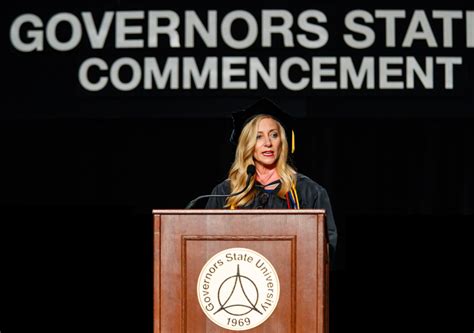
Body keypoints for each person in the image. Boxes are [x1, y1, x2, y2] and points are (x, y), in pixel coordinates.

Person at [206, 98, 337, 259]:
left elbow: (325, 248)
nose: (268, 143)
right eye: (258, 137)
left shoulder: (309, 191)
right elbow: (207, 246)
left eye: (274, 135)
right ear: (247, 144)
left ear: (282, 141)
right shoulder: (225, 192)